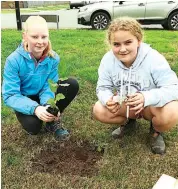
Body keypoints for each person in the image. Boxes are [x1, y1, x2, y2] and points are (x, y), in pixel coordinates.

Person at [93, 17, 178, 154]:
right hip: (126, 103)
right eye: (116, 44)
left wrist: (146, 97)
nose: (122, 49)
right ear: (110, 44)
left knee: (172, 111)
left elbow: (174, 88)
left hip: (151, 106)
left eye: (128, 42)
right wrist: (107, 99)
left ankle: (156, 131)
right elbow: (102, 88)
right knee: (99, 109)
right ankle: (128, 122)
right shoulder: (108, 60)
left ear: (138, 41)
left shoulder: (153, 58)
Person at [2, 16, 79, 140]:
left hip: (43, 94)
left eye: (44, 37)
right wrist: (35, 108)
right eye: (34, 37)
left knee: (72, 84)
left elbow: (49, 85)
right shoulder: (13, 60)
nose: (40, 41)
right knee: (33, 127)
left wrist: (47, 105)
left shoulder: (53, 58)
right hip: (24, 98)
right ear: (25, 36)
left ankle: (51, 121)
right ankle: (33, 115)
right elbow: (10, 95)